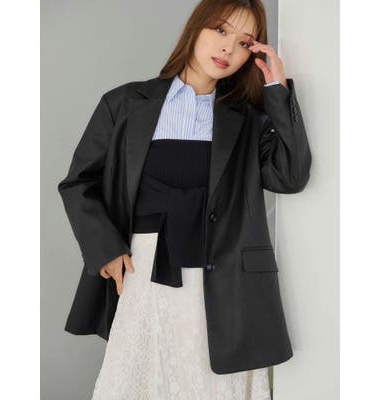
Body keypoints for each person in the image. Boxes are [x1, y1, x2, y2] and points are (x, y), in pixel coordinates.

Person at [57, 0, 312, 399]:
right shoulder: (124, 104)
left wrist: (276, 91)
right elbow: (78, 182)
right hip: (144, 275)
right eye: (221, 30)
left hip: (224, 281)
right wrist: (106, 248)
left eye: (244, 42)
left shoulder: (248, 120)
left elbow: (291, 176)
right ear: (196, 28)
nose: (228, 48)